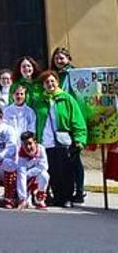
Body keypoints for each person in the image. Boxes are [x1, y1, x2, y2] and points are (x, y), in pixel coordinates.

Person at [39, 70, 86, 208]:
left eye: (52, 81)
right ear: (43, 85)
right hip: (46, 142)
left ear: (57, 82)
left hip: (63, 141)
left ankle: (66, 198)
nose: (50, 84)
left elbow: (77, 120)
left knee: (66, 171)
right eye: (47, 82)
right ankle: (57, 197)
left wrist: (80, 139)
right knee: (52, 171)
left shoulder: (67, 98)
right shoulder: (40, 101)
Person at [48, 46, 85, 204]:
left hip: (71, 118)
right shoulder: (53, 76)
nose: (59, 60)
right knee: (58, 162)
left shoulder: (74, 75)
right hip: (56, 122)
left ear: (68, 59)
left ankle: (79, 190)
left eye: (62, 58)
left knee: (74, 160)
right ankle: (58, 193)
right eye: (56, 58)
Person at [16, 131, 49, 210]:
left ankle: (39, 198)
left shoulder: (41, 149)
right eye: (25, 144)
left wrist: (29, 174)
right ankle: (24, 198)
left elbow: (43, 166)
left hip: (35, 176)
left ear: (35, 142)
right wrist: (22, 198)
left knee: (45, 175)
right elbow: (21, 174)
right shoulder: (21, 154)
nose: (28, 147)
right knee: (26, 203)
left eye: (30, 143)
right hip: (26, 180)